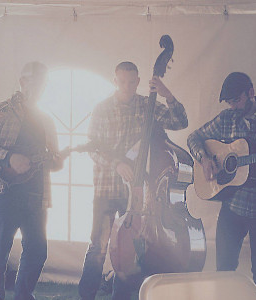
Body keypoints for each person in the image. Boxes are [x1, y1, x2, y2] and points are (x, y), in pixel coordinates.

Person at [78, 61, 188, 300]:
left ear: (138, 82)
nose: (127, 86)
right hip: (108, 187)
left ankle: (122, 296)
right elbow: (92, 148)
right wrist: (116, 164)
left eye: (131, 81)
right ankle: (86, 296)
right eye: (122, 81)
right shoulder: (101, 108)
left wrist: (167, 94)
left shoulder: (148, 105)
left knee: (129, 251)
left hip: (139, 194)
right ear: (115, 81)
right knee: (98, 247)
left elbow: (180, 122)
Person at [187, 72, 256, 300]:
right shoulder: (226, 118)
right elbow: (194, 137)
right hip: (232, 208)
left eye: (237, 100)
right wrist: (204, 158)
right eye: (230, 101)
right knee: (224, 270)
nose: (233, 106)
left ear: (251, 93)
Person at [0, 61, 64, 300]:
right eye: (38, 81)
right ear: (23, 82)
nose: (42, 87)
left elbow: (54, 160)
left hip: (36, 196)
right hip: (4, 193)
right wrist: (9, 157)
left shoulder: (47, 120)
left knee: (37, 252)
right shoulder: (1, 111)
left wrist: (57, 160)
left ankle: (23, 296)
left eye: (45, 82)